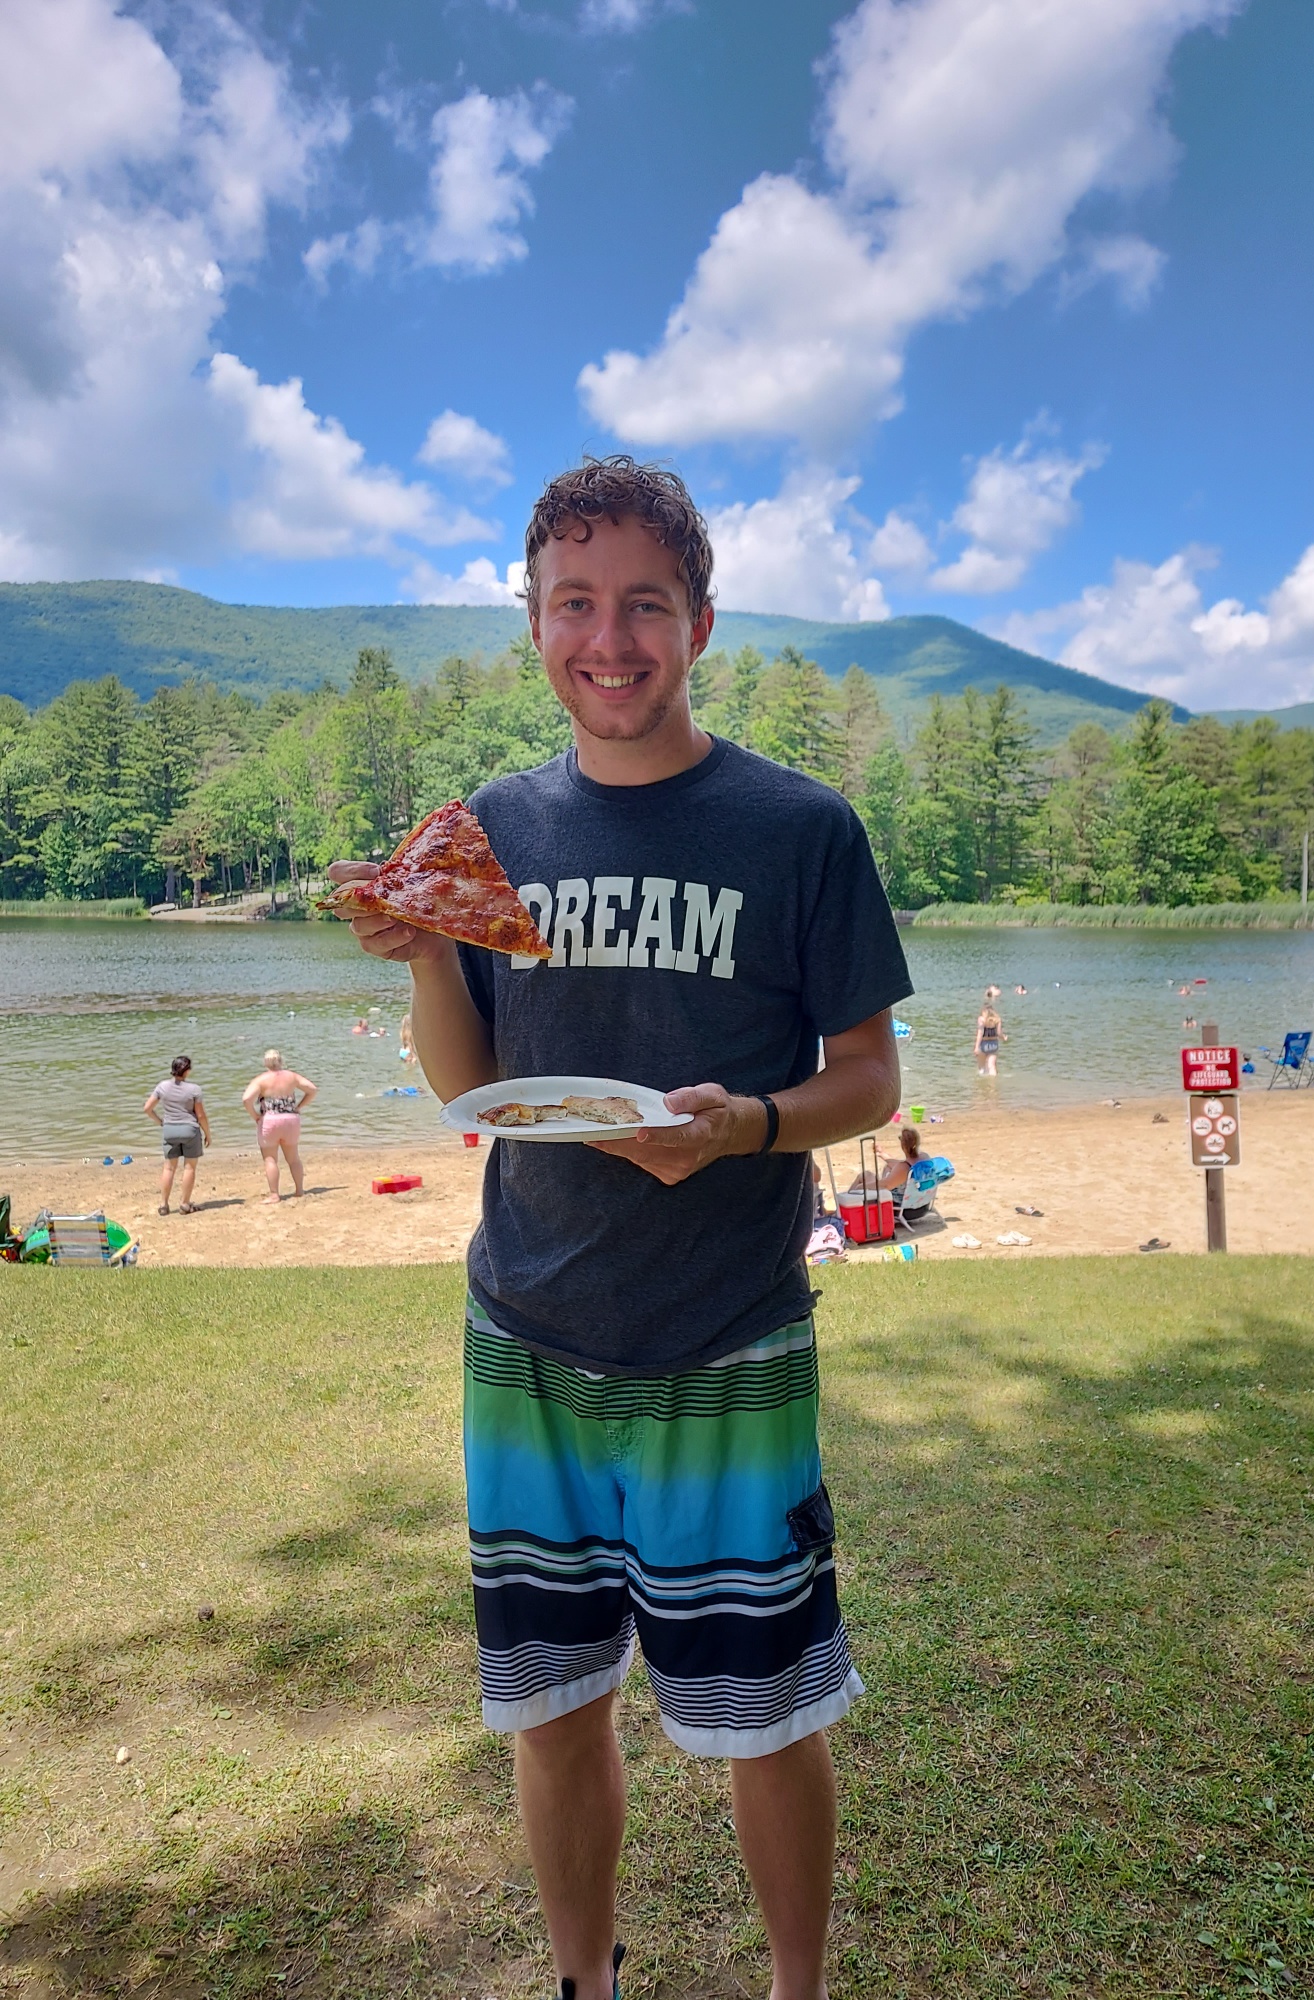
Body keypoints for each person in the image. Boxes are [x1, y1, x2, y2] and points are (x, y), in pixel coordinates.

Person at [329, 457, 911, 2000]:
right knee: (553, 1700)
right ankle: (584, 1982)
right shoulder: (491, 831)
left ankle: (799, 1988)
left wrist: (747, 1127)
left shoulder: (800, 830)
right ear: (533, 626)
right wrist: (418, 959)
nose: (610, 638)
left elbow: (868, 1080)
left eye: (643, 605)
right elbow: (480, 1092)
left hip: (728, 1335)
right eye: (573, 604)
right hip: (526, 1334)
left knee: (768, 1714)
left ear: (699, 623)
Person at [242, 1050, 317, 1201]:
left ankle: (274, 1194)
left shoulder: (261, 1079)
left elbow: (246, 1099)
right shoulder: (292, 1076)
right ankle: (299, 1190)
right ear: (281, 1061)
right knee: (294, 1158)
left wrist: (255, 1115)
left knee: (270, 1159)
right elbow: (312, 1090)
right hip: (290, 1119)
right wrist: (299, 1106)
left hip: (270, 1120)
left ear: (265, 1063)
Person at [143, 1055, 210, 1215]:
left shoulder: (162, 1086)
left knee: (169, 1168)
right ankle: (185, 1204)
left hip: (170, 1130)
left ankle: (164, 1205)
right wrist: (208, 1133)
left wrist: (161, 1122)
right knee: (189, 1168)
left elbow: (147, 1108)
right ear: (186, 1071)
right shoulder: (194, 1089)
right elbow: (200, 1115)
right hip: (190, 1130)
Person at [974, 1001, 1004, 1075]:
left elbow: (980, 1033)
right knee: (992, 1066)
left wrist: (976, 1047)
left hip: (983, 1044)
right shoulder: (997, 1019)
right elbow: (999, 1033)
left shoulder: (981, 1019)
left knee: (982, 1067)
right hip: (994, 1044)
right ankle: (993, 1083)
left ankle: (982, 1084)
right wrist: (1004, 1037)